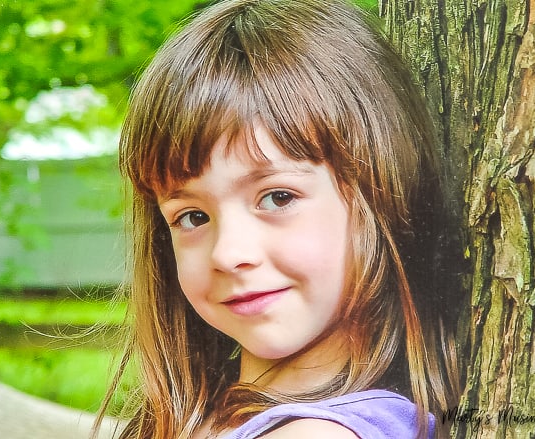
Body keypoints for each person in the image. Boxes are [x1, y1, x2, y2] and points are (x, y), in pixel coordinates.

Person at [94, 0, 462, 438]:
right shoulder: (195, 417)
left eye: (278, 197)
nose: (229, 253)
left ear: (381, 189)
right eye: (192, 216)